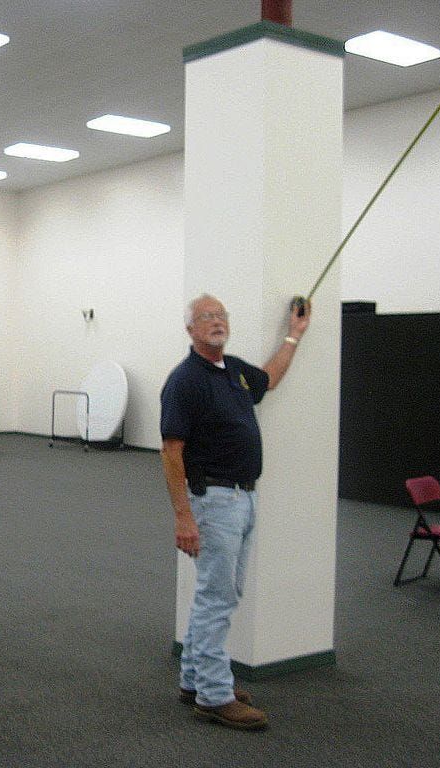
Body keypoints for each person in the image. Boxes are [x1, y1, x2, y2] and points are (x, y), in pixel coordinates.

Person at [160, 293, 310, 731]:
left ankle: (195, 679)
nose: (216, 321)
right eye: (206, 316)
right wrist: (183, 516)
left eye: (221, 315)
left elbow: (270, 378)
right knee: (218, 597)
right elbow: (171, 451)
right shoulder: (185, 380)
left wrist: (294, 335)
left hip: (243, 498)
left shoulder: (236, 372)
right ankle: (213, 695)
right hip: (214, 502)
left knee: (220, 592)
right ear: (190, 329)